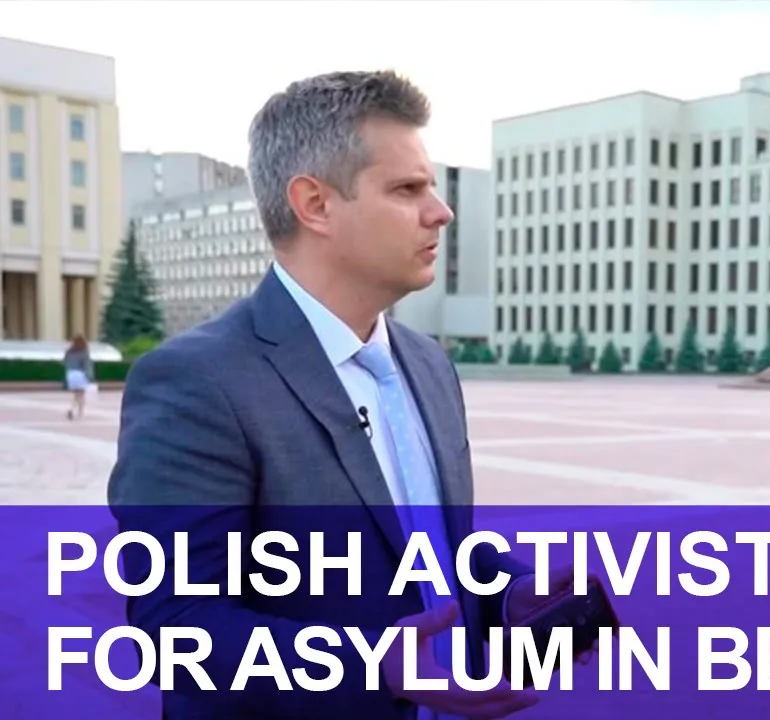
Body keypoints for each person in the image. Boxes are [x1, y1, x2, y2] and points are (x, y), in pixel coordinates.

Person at [108, 70, 579, 720]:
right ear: (315, 204)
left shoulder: (428, 364)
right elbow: (175, 624)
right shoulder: (197, 381)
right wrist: (371, 666)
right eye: (407, 189)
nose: (440, 211)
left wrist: (511, 594)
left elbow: (426, 545)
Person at [62, 333, 94, 420]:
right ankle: (77, 411)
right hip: (80, 374)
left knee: (76, 394)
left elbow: (65, 362)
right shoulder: (84, 351)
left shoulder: (69, 351)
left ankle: (76, 410)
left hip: (71, 374)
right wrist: (90, 376)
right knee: (81, 395)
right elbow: (87, 364)